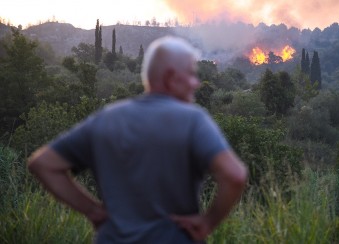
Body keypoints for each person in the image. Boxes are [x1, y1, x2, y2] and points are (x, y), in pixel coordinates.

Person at [28, 36, 247, 243]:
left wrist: (92, 210)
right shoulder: (193, 119)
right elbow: (235, 175)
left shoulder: (106, 118)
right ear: (171, 77)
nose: (196, 83)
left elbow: (43, 164)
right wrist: (208, 222)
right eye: (191, 74)